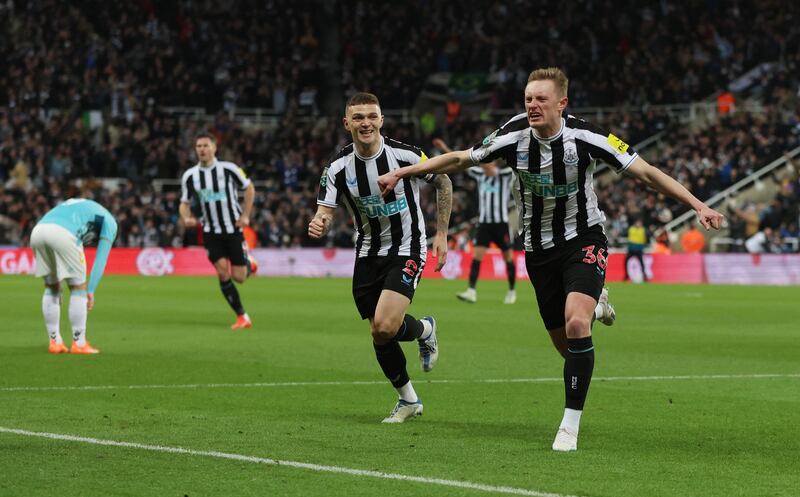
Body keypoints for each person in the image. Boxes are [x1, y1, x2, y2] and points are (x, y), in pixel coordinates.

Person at [378, 67, 724, 451]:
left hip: (583, 238)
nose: (532, 105)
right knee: (567, 347)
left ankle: (568, 426)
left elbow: (645, 172)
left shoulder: (588, 137)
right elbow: (462, 159)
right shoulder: (512, 136)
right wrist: (406, 171)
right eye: (528, 99)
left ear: (562, 103)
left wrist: (697, 204)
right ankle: (597, 304)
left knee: (576, 324)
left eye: (541, 99)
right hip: (538, 249)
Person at [308, 92, 452, 423]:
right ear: (347, 123)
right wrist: (320, 222)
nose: (366, 123)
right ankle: (409, 398)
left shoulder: (406, 155)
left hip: (407, 247)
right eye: (358, 117)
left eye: (372, 116)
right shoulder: (337, 169)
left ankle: (423, 331)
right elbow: (325, 212)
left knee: (386, 325)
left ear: (382, 120)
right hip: (368, 251)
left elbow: (443, 181)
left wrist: (441, 234)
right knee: (379, 333)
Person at [180, 133, 257, 330]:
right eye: (198, 146)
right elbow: (184, 202)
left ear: (214, 148)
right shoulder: (190, 176)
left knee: (239, 277)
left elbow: (249, 189)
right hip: (210, 231)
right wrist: (186, 217)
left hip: (232, 228)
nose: (202, 149)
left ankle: (249, 263)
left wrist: (246, 215)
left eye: (206, 145)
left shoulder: (229, 169)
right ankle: (242, 316)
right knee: (223, 272)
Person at [432, 138, 517, 304]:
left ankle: (512, 291)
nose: (485, 168)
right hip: (484, 223)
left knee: (508, 258)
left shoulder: (505, 176)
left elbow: (516, 167)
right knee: (477, 257)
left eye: (488, 165)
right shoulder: (479, 174)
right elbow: (460, 161)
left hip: (501, 224)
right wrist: (444, 148)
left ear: (494, 165)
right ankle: (471, 291)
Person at [30, 198, 118, 354]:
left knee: (52, 288)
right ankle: (80, 343)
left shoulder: (81, 206)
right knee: (78, 288)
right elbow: (101, 259)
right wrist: (90, 291)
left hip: (37, 231)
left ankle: (55, 342)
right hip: (63, 234)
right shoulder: (110, 222)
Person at [625, 217, 649, 281]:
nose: (639, 224)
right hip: (632, 249)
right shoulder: (632, 229)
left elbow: (647, 237)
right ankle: (626, 275)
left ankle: (644, 276)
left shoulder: (643, 229)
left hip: (638, 249)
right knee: (626, 262)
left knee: (642, 263)